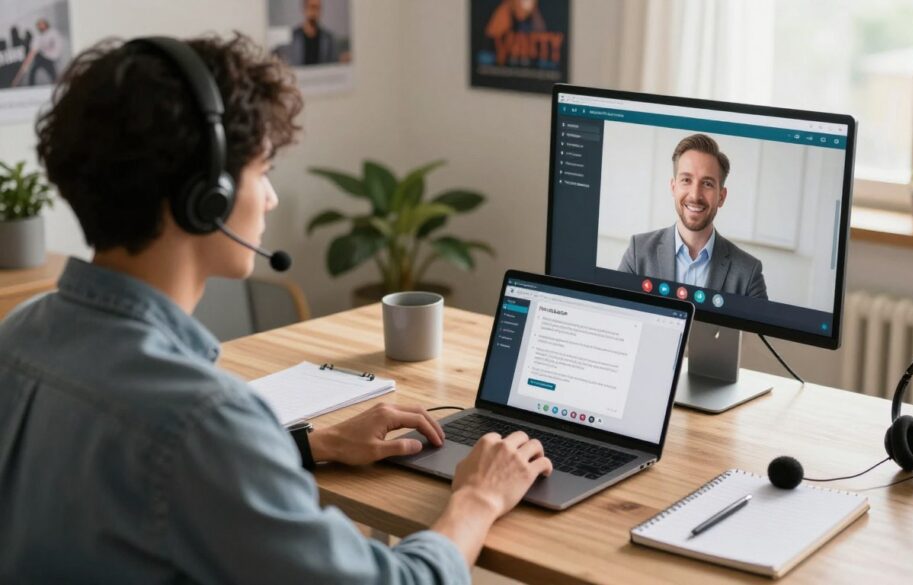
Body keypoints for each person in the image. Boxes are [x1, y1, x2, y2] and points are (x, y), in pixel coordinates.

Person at [0, 34, 550, 583]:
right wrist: (478, 497)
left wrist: (313, 444)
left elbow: (152, 469)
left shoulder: (19, 336)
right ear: (204, 198)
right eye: (262, 171)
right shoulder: (205, 421)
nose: (271, 198)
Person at [618, 133, 768, 299]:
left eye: (707, 184)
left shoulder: (748, 272)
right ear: (673, 187)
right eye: (686, 180)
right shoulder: (638, 252)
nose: (695, 195)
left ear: (721, 197)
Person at [275, 0, 352, 66]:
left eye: (317, 8)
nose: (314, 12)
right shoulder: (294, 37)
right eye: (312, 7)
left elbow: (332, 61)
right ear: (304, 9)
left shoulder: (327, 38)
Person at [10, 18, 65, 87]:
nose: (40, 26)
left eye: (42, 24)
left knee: (52, 73)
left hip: (51, 59)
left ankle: (57, 84)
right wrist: (18, 77)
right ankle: (30, 85)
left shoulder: (54, 33)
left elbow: (58, 48)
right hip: (42, 58)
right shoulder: (38, 37)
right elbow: (32, 53)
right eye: (39, 25)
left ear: (46, 24)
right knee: (33, 70)